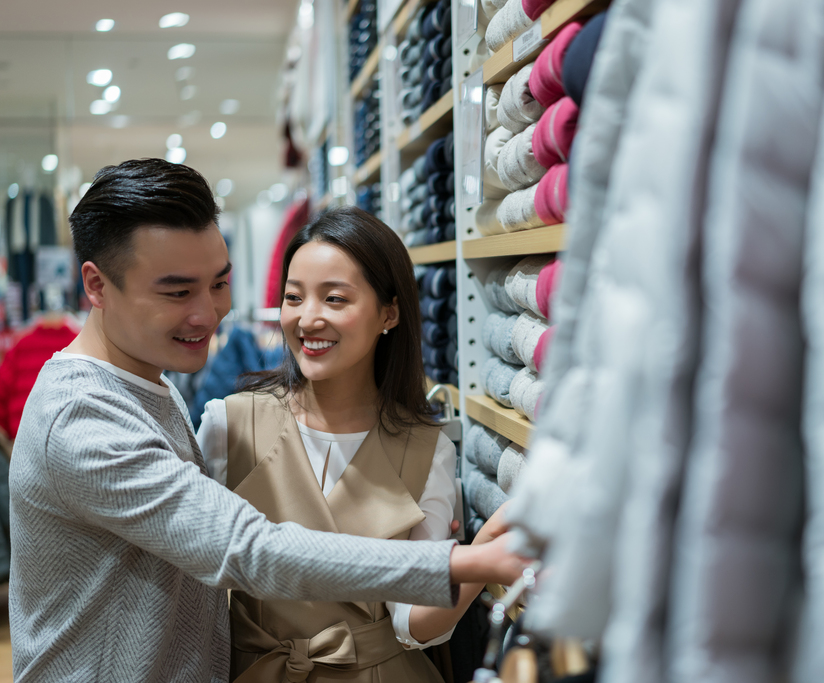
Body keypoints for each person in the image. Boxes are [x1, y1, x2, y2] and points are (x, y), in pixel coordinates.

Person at [8, 158, 528, 683]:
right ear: (97, 287)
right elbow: (250, 549)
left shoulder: (151, 384)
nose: (208, 314)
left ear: (388, 313)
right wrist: (469, 564)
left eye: (218, 283)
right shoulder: (84, 417)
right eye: (177, 292)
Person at [196, 206, 503, 682]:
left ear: (389, 313)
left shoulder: (426, 448)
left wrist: (482, 556)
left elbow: (413, 623)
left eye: (335, 299)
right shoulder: (229, 425)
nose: (308, 318)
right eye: (293, 298)